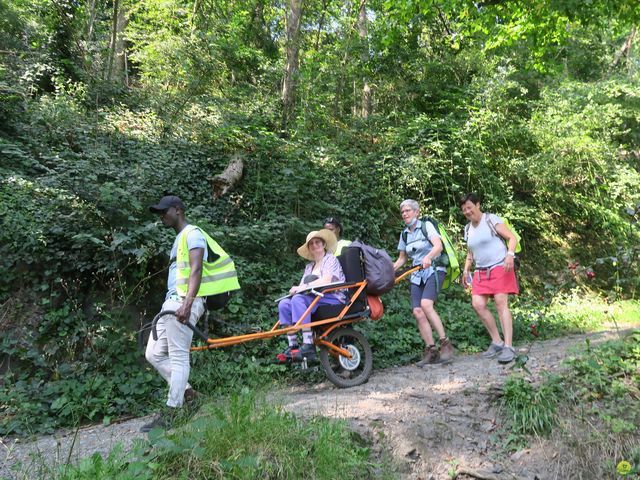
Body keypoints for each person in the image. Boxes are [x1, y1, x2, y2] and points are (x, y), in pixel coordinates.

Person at [142, 195, 240, 432]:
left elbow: (196, 269)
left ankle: (173, 410)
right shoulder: (179, 239)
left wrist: (187, 304)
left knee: (178, 356)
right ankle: (189, 395)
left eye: (164, 211)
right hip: (172, 302)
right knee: (153, 354)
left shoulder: (192, 233)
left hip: (184, 303)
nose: (162, 216)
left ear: (178, 210)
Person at [392, 199, 454, 366]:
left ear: (416, 212)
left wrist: (428, 257)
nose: (404, 214)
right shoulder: (404, 234)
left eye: (408, 211)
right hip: (416, 274)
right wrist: (389, 270)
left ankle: (445, 344)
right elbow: (402, 259)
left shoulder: (426, 226)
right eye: (402, 212)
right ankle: (431, 351)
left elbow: (438, 246)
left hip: (434, 269)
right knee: (418, 312)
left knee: (426, 305)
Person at [459, 193, 519, 364]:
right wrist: (466, 270)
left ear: (478, 205)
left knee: (501, 304)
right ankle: (497, 342)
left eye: (470, 207)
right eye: (464, 210)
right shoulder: (467, 229)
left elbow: (511, 238)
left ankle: (508, 346)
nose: (468, 212)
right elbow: (470, 252)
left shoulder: (491, 219)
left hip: (501, 266)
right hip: (480, 271)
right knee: (477, 305)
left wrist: (510, 254)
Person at [276, 229, 346, 363]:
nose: (314, 245)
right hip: (315, 298)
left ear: (324, 244)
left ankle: (308, 344)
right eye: (311, 243)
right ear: (309, 248)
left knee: (298, 299)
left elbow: (326, 281)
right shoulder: (309, 267)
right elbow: (303, 287)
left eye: (317, 242)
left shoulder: (330, 259)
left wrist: (300, 288)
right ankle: (293, 345)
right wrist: (297, 289)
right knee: (284, 304)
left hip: (333, 296)